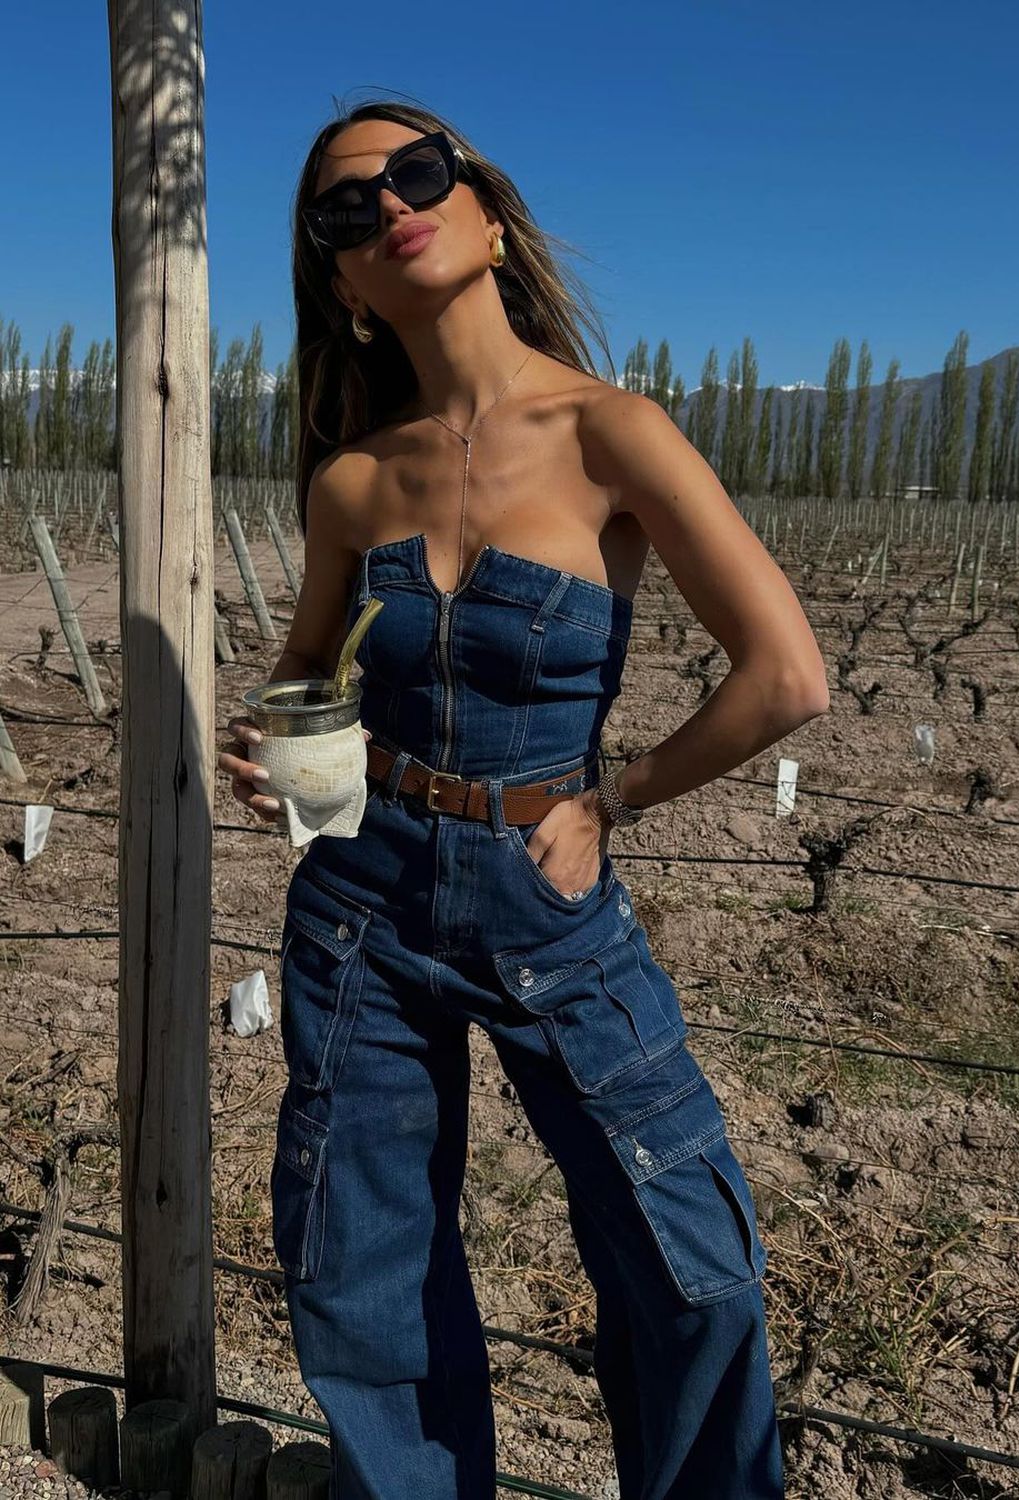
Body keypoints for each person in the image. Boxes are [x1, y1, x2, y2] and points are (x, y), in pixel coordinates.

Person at [218, 98, 828, 1500]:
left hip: (546, 894)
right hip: (359, 903)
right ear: (344, 285)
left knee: (695, 1271)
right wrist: (282, 758)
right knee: (363, 1284)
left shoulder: (611, 432)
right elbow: (306, 671)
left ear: (487, 213)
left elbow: (785, 674)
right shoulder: (353, 482)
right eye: (342, 210)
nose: (387, 208)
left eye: (415, 175)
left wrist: (614, 795)